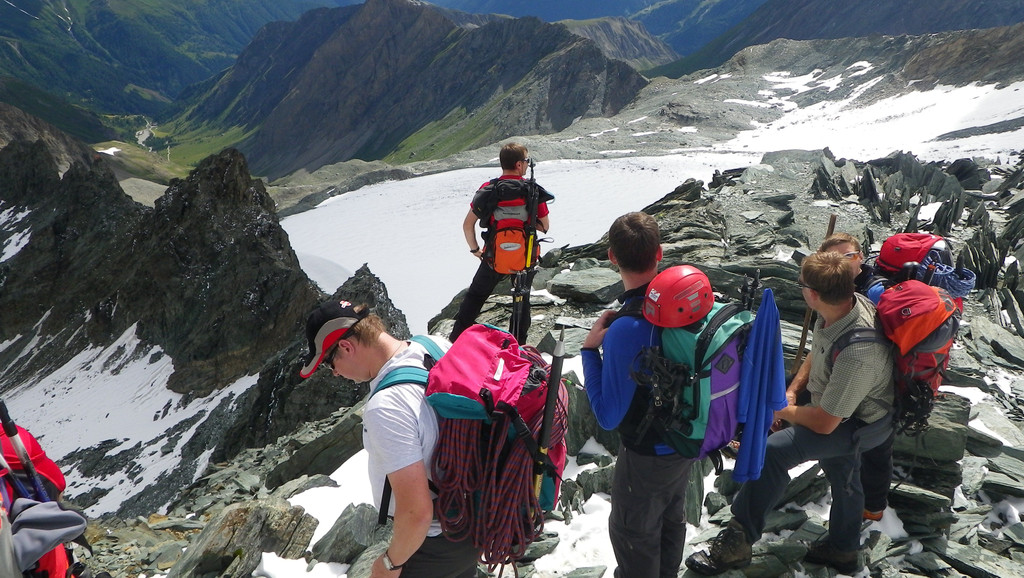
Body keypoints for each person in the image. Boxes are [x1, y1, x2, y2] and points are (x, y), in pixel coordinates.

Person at [686, 251, 895, 575]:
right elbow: (820, 350)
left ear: (813, 294)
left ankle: (737, 544)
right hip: (844, 408)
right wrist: (792, 392)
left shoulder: (859, 351)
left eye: (801, 285)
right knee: (844, 471)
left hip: (861, 423)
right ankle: (844, 550)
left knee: (774, 452)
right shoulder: (841, 308)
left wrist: (781, 409)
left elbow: (825, 424)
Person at [299, 300, 478, 578]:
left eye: (328, 362)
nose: (334, 372)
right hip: (474, 520)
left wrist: (390, 565)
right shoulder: (433, 345)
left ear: (346, 347)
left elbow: (416, 512)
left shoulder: (387, 406)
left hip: (433, 542)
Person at [580, 212, 699, 578]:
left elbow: (608, 416)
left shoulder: (627, 328)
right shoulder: (688, 303)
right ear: (659, 253)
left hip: (646, 455)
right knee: (671, 518)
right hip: (687, 439)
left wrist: (589, 352)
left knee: (634, 534)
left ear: (612, 257)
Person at [818, 233, 894, 522]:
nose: (842, 262)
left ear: (860, 257)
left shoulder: (875, 291)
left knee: (877, 449)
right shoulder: (837, 289)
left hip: (878, 381)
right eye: (833, 257)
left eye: (848, 256)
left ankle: (873, 507)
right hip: (853, 371)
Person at [449, 142, 550, 344]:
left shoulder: (488, 189)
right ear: (519, 165)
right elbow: (544, 226)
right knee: (521, 300)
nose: (527, 164)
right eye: (526, 161)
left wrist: (475, 250)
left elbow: (467, 225)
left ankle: (455, 341)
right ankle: (517, 345)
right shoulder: (532, 190)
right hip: (524, 257)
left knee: (475, 296)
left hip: (493, 256)